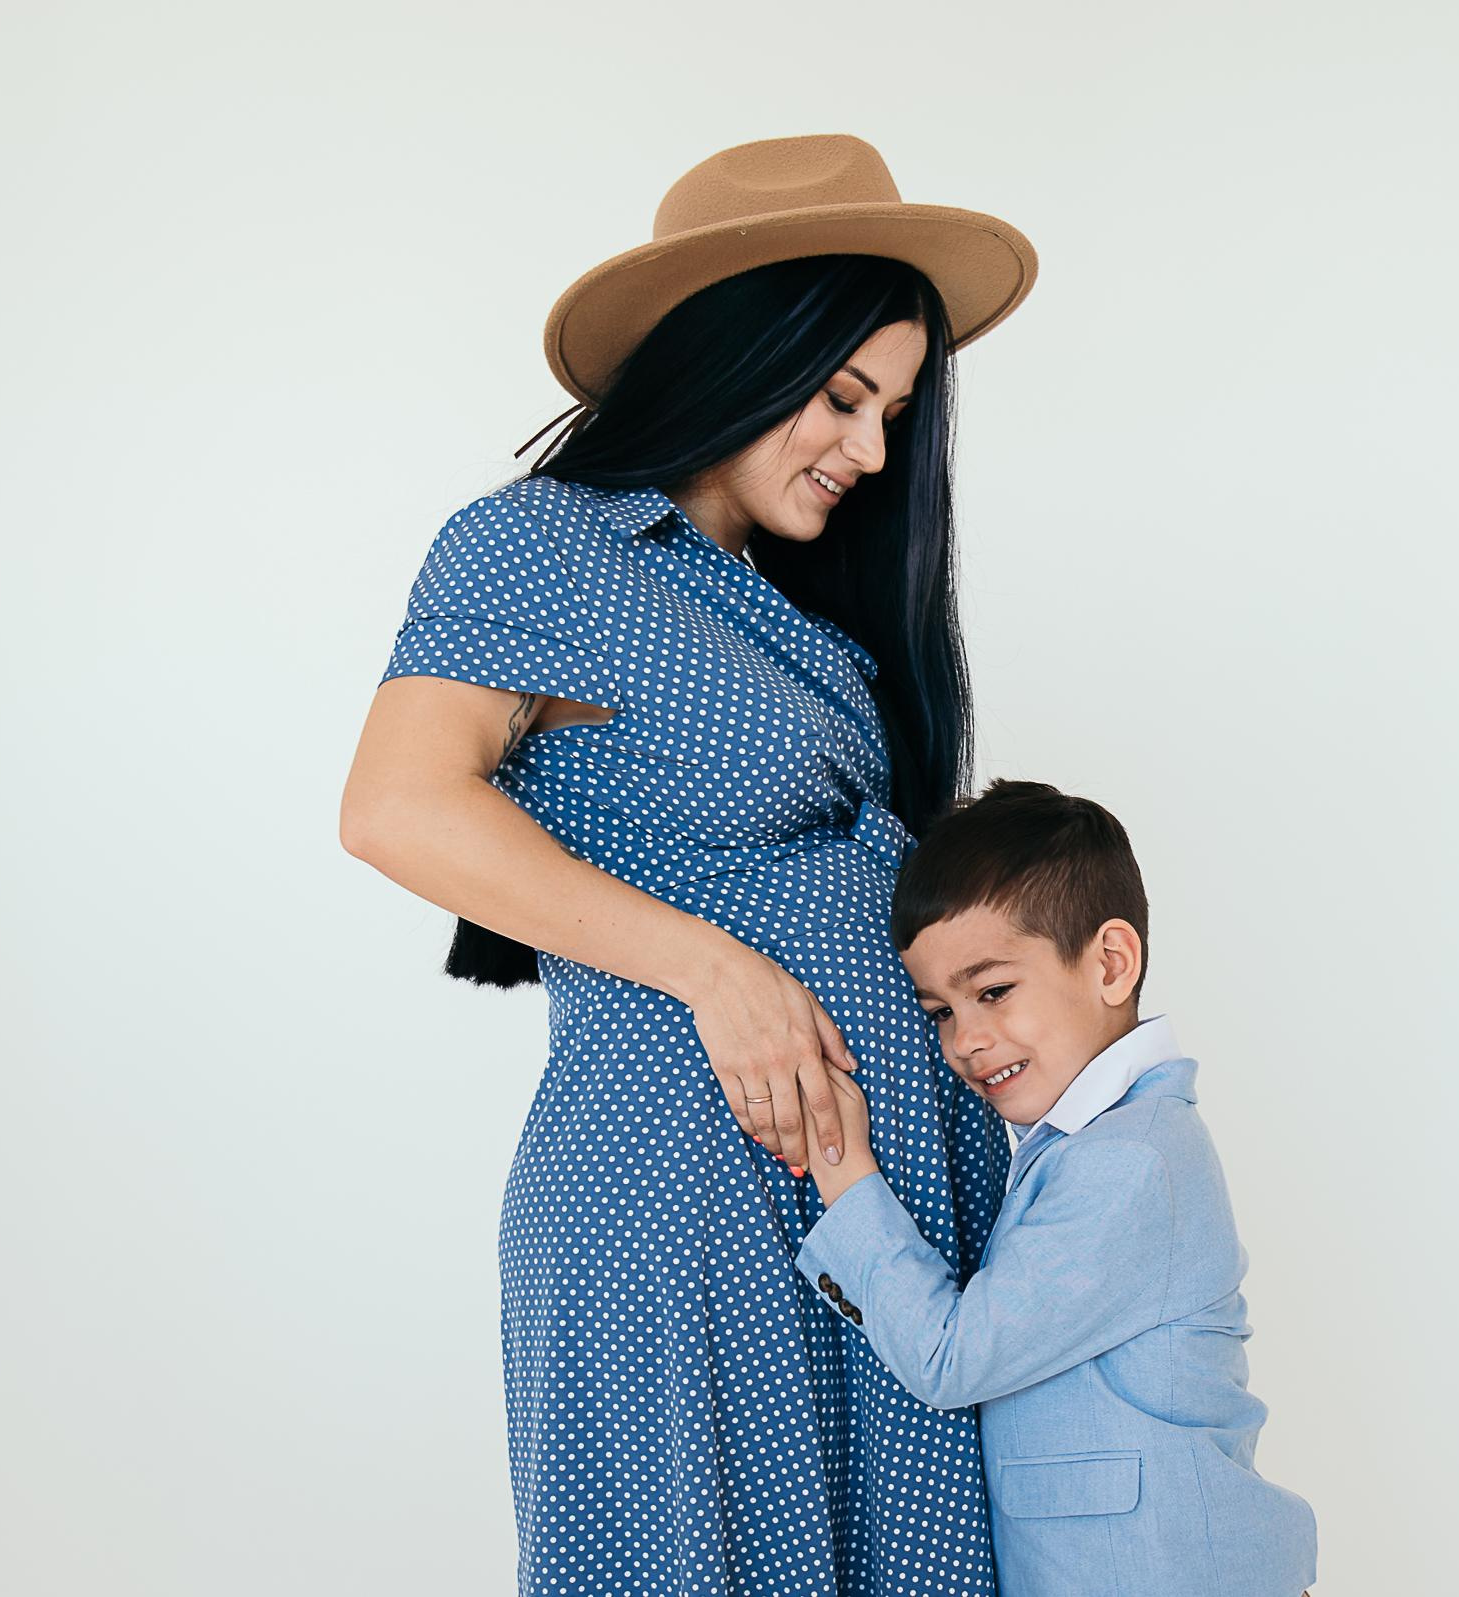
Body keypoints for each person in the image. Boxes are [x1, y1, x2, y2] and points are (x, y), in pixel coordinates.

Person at [337, 134, 1039, 1595]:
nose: (871, 452)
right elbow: (397, 805)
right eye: (843, 396)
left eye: (896, 413)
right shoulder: (544, 549)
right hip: (683, 1198)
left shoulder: (815, 631)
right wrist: (721, 973)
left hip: (878, 1233)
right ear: (731, 350)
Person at [792, 779, 1319, 1596]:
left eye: (993, 990)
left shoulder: (1132, 1162)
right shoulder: (1085, 1146)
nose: (965, 1040)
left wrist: (844, 1171)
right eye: (938, 1011)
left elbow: (950, 1355)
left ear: (1110, 962)